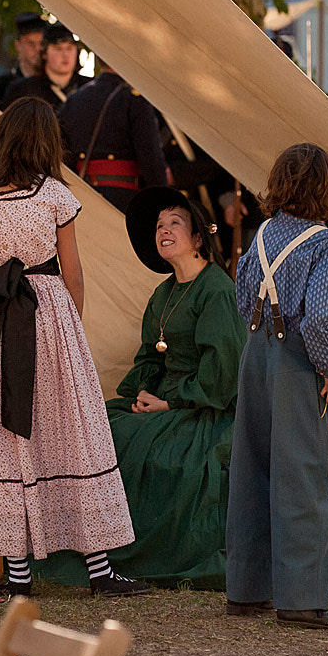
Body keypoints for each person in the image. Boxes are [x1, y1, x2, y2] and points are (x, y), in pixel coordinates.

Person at [0, 99, 145, 597]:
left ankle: (20, 576)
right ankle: (99, 570)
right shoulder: (54, 196)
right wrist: (70, 329)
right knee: (67, 432)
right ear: (46, 143)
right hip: (45, 316)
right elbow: (72, 272)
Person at [37, 188, 245, 589]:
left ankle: (132, 552)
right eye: (159, 226)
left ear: (199, 238)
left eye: (175, 224)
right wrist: (138, 397)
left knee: (148, 449)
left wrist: (168, 402)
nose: (164, 231)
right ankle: (88, 549)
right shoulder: (164, 294)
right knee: (101, 431)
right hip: (164, 402)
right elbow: (149, 357)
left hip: (207, 409)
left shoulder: (217, 290)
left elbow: (222, 371)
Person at [227, 143, 328, 628]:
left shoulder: (263, 233)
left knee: (252, 469)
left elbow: (243, 297)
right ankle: (300, 598)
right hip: (297, 364)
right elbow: (321, 319)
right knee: (301, 474)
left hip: (256, 356)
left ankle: (246, 588)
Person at [56, 59, 168, 212]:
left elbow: (62, 153)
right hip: (124, 199)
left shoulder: (75, 99)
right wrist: (163, 201)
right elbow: (150, 159)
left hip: (80, 197)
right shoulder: (134, 99)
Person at [0, 23, 86, 111]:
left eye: (69, 48)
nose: (65, 55)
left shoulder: (88, 88)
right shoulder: (22, 90)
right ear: (44, 53)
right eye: (58, 48)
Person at [0, 12, 47, 104]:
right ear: (18, 45)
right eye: (31, 43)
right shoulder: (1, 87)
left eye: (42, 43)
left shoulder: (54, 84)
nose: (37, 49)